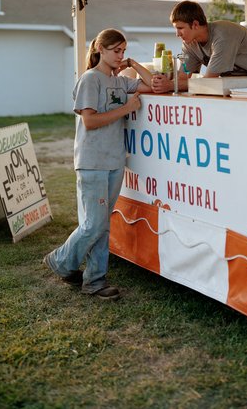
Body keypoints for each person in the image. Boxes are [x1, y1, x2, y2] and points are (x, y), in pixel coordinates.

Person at [43, 28, 153, 300]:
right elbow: (89, 121)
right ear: (100, 50)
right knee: (94, 224)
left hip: (114, 160)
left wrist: (134, 64)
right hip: (93, 161)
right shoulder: (90, 80)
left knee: (102, 223)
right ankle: (61, 260)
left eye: (124, 51)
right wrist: (126, 109)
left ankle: (94, 281)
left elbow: (153, 85)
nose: (120, 56)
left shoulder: (118, 81)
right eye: (116, 50)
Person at [152, 1, 247, 93]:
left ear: (195, 24)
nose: (177, 34)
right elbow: (183, 76)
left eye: (180, 28)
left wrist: (170, 86)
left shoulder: (223, 35)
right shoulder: (189, 44)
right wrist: (165, 83)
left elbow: (208, 82)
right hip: (242, 87)